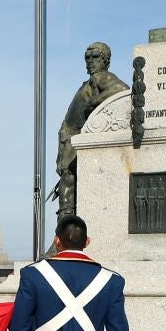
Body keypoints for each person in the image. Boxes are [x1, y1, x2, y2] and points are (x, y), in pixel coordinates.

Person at [54, 43, 130, 218]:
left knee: (69, 179)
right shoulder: (89, 81)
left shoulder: (100, 77)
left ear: (105, 59)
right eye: (87, 57)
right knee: (68, 177)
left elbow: (123, 90)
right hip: (68, 138)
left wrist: (93, 102)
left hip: (76, 135)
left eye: (95, 57)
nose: (90, 61)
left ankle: (65, 225)